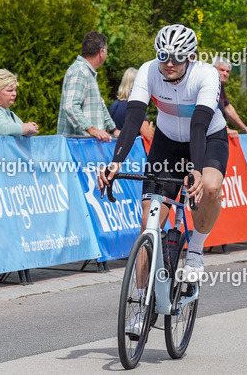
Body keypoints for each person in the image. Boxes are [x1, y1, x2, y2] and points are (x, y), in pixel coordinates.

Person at [97, 24, 228, 335]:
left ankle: (195, 249)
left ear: (191, 57)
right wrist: (115, 163)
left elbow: (199, 123)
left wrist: (195, 169)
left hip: (208, 138)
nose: (169, 62)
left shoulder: (206, 75)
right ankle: (141, 303)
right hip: (167, 143)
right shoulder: (148, 71)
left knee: (209, 186)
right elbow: (133, 119)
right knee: (148, 224)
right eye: (163, 55)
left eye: (178, 57)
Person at [57, 31, 117, 140]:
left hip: (85, 147)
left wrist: (114, 130)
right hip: (77, 148)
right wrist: (91, 129)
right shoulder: (80, 71)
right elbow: (70, 106)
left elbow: (99, 104)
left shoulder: (87, 72)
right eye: (106, 50)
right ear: (101, 52)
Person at [212, 57, 247, 139]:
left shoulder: (220, 85)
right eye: (222, 70)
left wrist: (246, 129)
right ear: (213, 69)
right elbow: (211, 108)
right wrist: (225, 128)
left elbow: (227, 108)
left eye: (228, 71)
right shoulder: (210, 85)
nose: (225, 74)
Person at [109, 68, 154, 141]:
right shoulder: (136, 107)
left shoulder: (114, 105)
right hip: (133, 150)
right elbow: (148, 135)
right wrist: (150, 129)